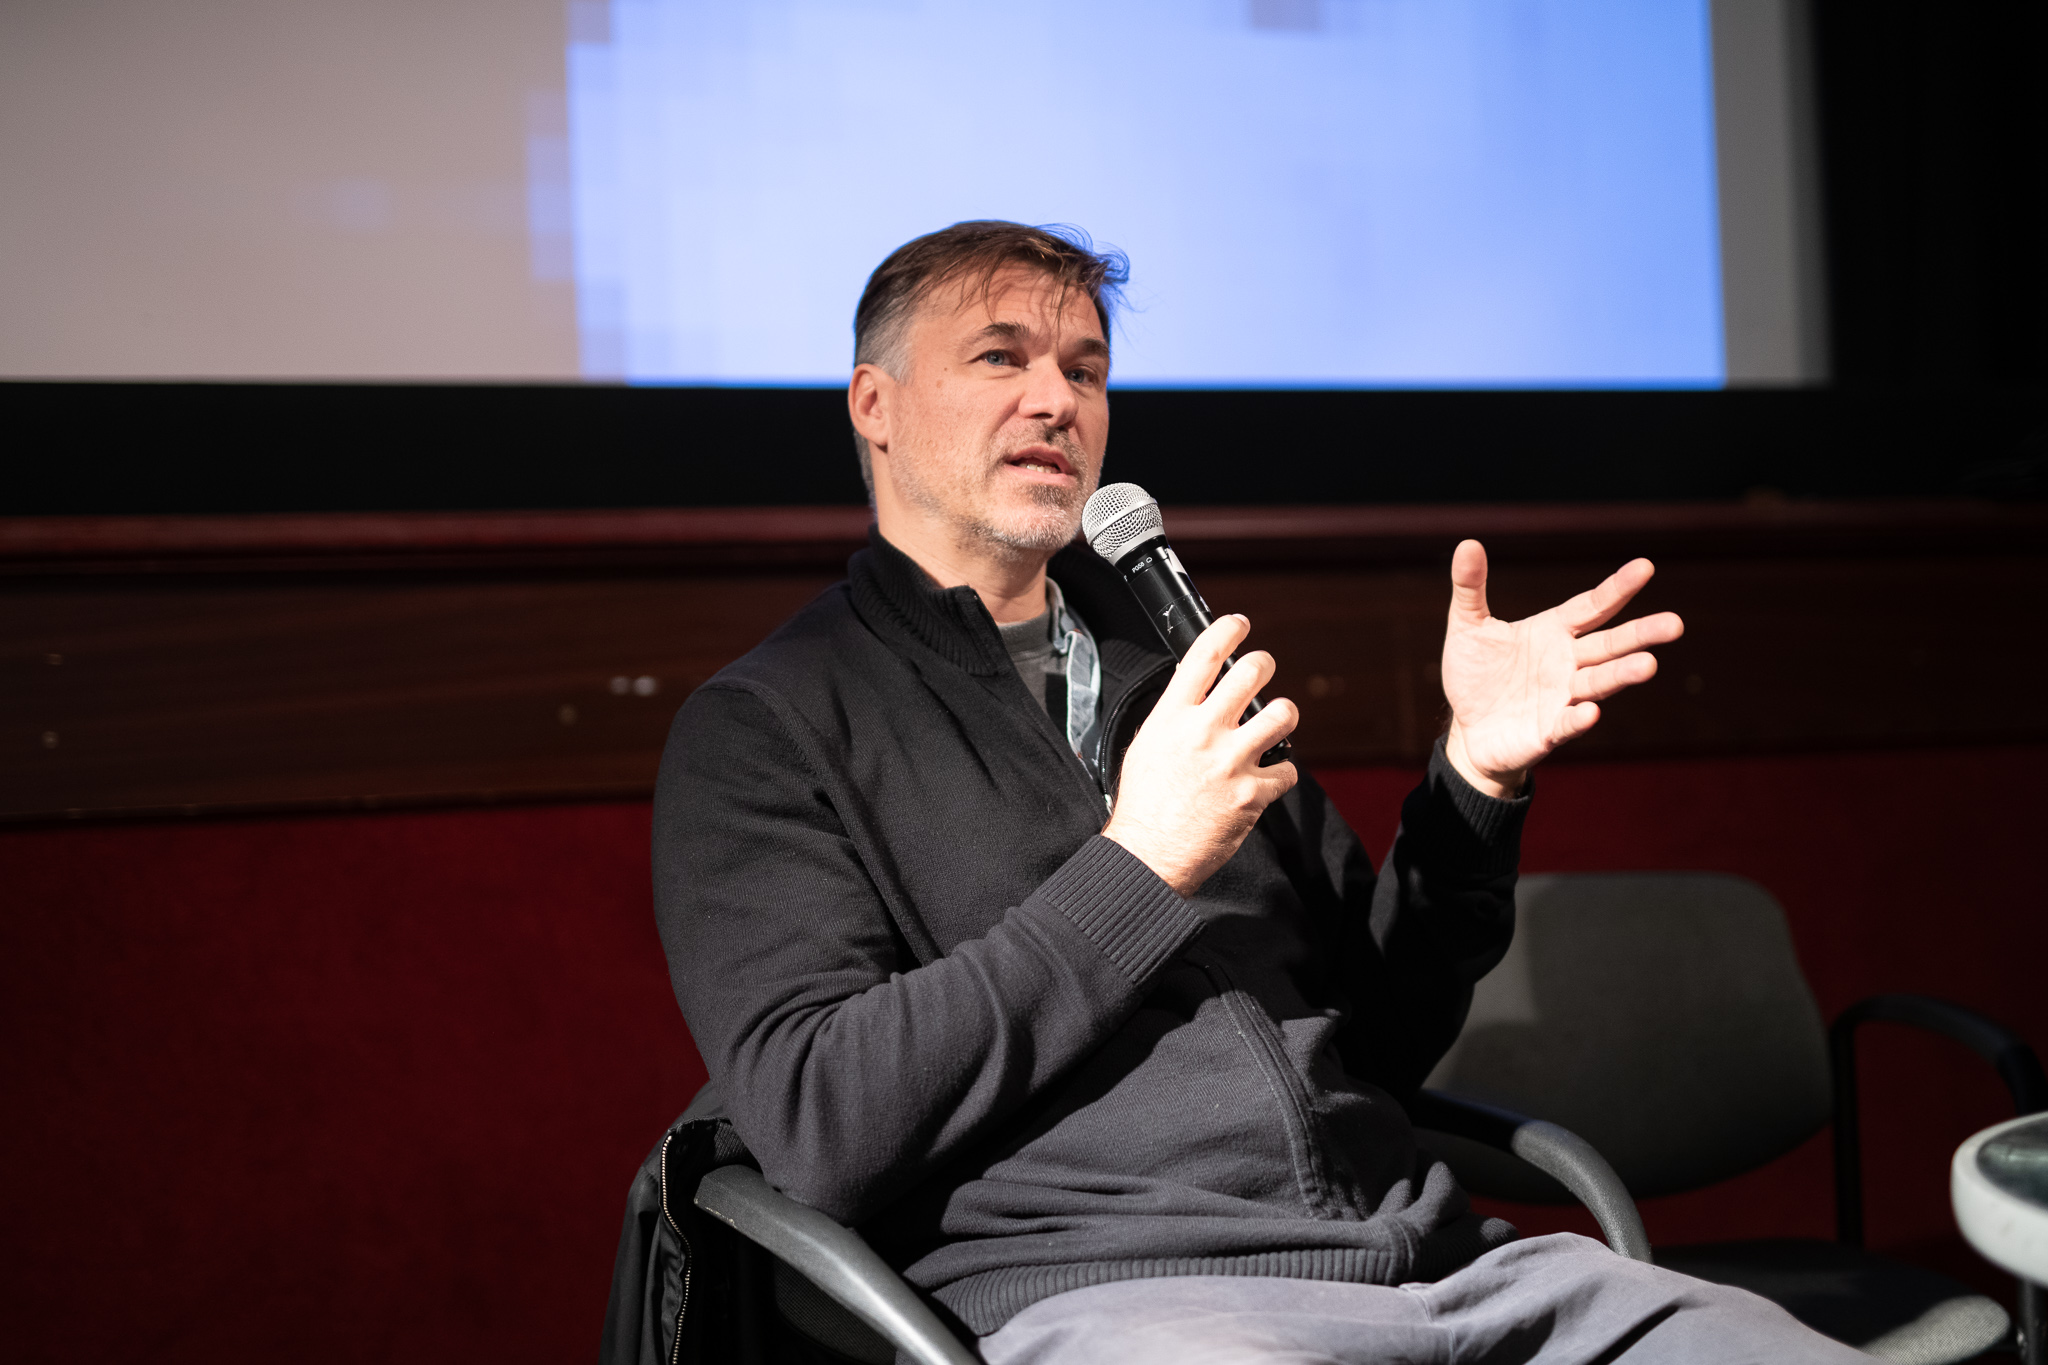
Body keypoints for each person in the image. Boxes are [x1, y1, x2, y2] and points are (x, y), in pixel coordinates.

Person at [652, 222, 1865, 1363]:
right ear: (873, 403)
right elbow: (818, 1125)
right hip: (1126, 1300)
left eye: (1085, 369)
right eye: (1000, 358)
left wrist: (1473, 781)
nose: (1055, 400)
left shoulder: (1175, 672)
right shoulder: (768, 728)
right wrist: (1136, 869)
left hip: (1437, 1267)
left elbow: (1380, 1036)